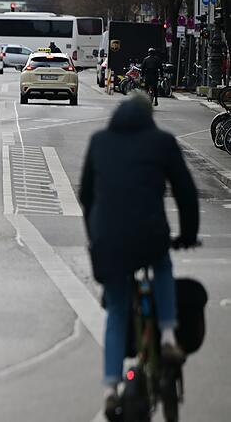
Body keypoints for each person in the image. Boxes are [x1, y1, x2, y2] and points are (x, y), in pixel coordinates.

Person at [79, 92, 199, 415]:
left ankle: (110, 388)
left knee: (117, 309)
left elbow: (85, 195)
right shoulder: (162, 142)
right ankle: (168, 336)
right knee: (162, 265)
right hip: (149, 236)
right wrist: (188, 235)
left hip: (107, 241)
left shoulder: (99, 141)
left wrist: (95, 237)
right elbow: (185, 192)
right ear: (150, 117)